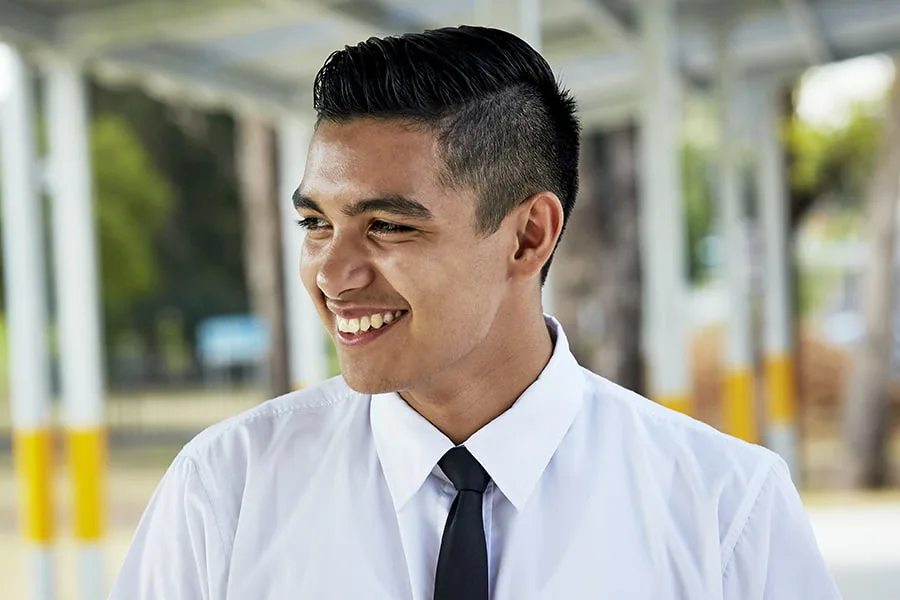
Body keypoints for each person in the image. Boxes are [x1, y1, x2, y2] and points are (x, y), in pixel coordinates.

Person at [109, 25, 842, 600]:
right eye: (316, 223)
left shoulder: (723, 510)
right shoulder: (225, 492)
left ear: (529, 237)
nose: (332, 273)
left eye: (390, 226)